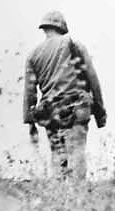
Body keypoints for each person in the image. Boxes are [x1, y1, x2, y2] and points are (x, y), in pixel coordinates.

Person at [23, 11, 106, 179]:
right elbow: (93, 79)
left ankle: (59, 200)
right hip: (76, 109)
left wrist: (29, 120)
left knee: (57, 159)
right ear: (62, 26)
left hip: (50, 113)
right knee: (76, 156)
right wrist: (100, 112)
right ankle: (77, 200)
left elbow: (29, 92)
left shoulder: (32, 55)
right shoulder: (74, 45)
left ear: (45, 28)